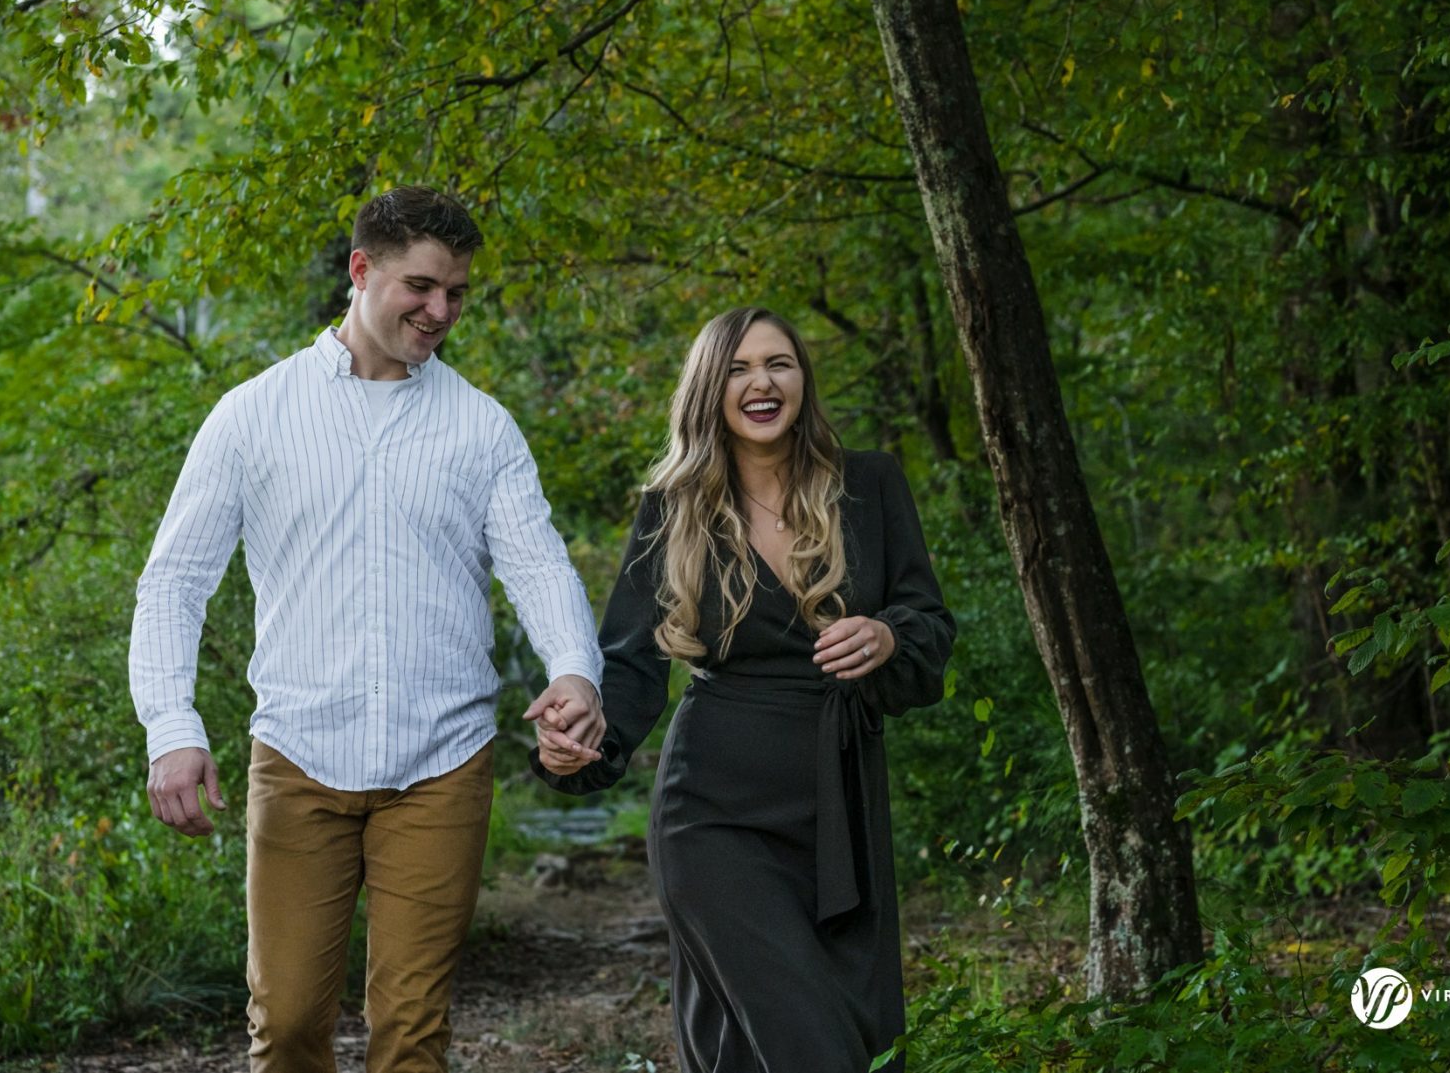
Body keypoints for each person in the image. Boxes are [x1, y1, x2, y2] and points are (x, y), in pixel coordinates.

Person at [129, 186, 606, 1073]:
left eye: (456, 292)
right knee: (288, 1023)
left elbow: (540, 566)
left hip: (443, 762)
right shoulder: (253, 414)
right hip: (297, 755)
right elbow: (174, 582)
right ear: (361, 269)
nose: (441, 310)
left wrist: (575, 672)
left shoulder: (482, 427)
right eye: (421, 286)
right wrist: (172, 727)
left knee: (412, 1032)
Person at [533, 305, 955, 1072]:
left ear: (802, 379)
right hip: (712, 815)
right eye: (737, 368)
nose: (761, 382)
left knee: (836, 1035)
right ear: (709, 389)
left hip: (841, 809)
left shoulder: (869, 483)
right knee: (811, 1046)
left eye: (778, 363)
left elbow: (929, 623)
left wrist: (890, 635)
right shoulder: (673, 506)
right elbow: (629, 664)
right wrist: (582, 744)